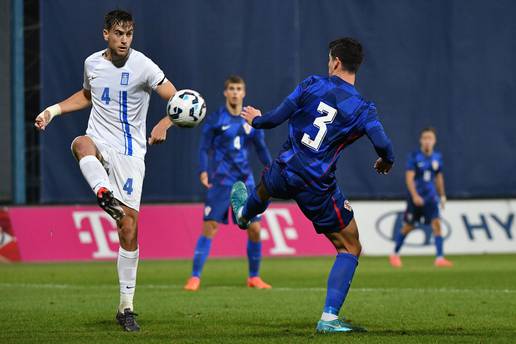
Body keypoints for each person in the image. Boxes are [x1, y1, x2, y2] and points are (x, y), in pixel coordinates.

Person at [230, 37, 395, 333]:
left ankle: (244, 214)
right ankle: (329, 318)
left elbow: (273, 120)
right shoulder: (362, 109)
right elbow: (384, 145)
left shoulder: (310, 84)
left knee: (266, 187)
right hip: (316, 185)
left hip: (285, 169)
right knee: (350, 246)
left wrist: (255, 119)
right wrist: (385, 161)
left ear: (336, 62)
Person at [34, 9, 177, 332]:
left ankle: (126, 307)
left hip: (130, 153)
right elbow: (87, 95)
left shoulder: (143, 65)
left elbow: (175, 96)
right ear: (106, 35)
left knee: (128, 229)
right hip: (100, 138)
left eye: (129, 34)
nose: (124, 40)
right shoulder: (92, 64)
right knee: (80, 143)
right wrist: (52, 110)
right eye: (118, 34)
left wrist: (166, 122)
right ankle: (102, 191)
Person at [184, 76, 273, 291]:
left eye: (238, 89)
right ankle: (194, 277)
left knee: (255, 229)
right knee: (210, 227)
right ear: (225, 93)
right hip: (222, 181)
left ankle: (254, 277)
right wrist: (203, 170)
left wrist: (272, 167)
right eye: (231, 89)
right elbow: (204, 147)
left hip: (246, 181)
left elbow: (260, 147)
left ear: (244, 93)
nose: (235, 92)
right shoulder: (215, 119)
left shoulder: (250, 121)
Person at [390, 127, 452, 268]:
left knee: (437, 225)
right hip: (416, 200)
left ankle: (440, 258)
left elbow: (438, 177)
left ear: (434, 141)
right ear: (421, 140)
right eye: (425, 138)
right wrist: (415, 195)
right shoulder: (414, 157)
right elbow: (409, 178)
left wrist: (442, 195)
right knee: (408, 226)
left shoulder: (437, 157)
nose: (427, 141)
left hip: (431, 199)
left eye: (430, 138)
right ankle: (394, 254)